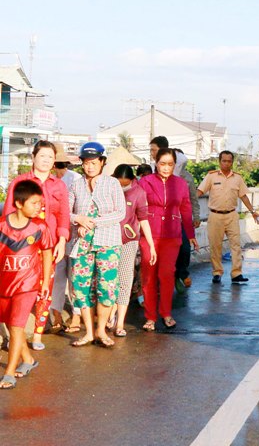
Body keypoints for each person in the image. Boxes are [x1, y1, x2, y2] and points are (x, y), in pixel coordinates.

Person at [2, 141, 70, 349]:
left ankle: (38, 334)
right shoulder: (20, 182)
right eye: (43, 156)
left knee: (45, 288)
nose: (47, 160)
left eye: (51, 157)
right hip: (21, 245)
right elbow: (8, 214)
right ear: (33, 157)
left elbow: (63, 215)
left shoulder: (58, 184)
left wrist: (61, 240)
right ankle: (14, 334)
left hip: (48, 244)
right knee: (15, 287)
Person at [67, 142, 126, 348]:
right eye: (86, 163)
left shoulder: (112, 184)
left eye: (94, 162)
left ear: (102, 162)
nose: (89, 167)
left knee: (106, 287)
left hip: (108, 243)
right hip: (82, 244)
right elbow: (66, 211)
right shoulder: (76, 185)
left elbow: (120, 213)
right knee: (81, 287)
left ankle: (101, 330)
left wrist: (92, 223)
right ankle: (89, 333)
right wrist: (79, 219)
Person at [0, 180, 54, 389]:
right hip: (5, 285)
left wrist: (45, 281)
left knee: (16, 325)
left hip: (27, 285)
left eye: (40, 203)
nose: (39, 207)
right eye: (34, 203)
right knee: (9, 323)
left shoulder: (40, 227)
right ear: (19, 203)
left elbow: (47, 253)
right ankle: (28, 360)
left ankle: (9, 373)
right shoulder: (2, 226)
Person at [138, 148, 196, 330]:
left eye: (170, 164)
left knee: (166, 274)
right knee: (148, 275)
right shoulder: (145, 182)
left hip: (172, 236)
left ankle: (166, 313)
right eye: (162, 164)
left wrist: (191, 235)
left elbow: (186, 210)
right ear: (155, 162)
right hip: (149, 235)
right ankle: (150, 316)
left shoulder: (180, 184)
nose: (166, 168)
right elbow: (138, 209)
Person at [197, 150, 259, 285]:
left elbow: (243, 196)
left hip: (232, 215)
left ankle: (236, 273)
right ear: (219, 162)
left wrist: (253, 211)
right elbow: (199, 191)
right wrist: (186, 201)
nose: (226, 163)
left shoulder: (237, 178)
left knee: (236, 245)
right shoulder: (211, 177)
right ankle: (217, 273)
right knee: (215, 246)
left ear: (232, 162)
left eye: (229, 161)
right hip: (215, 215)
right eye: (224, 161)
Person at [112, 164, 156, 338]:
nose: (122, 187)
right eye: (119, 183)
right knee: (109, 281)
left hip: (129, 242)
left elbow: (143, 220)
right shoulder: (108, 190)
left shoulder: (138, 193)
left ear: (132, 180)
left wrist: (151, 245)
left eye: (125, 184)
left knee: (124, 281)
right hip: (108, 241)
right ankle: (110, 314)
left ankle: (120, 323)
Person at [173, 148, 200, 293]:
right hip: (167, 220)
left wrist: (195, 217)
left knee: (184, 249)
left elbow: (193, 199)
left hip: (184, 220)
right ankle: (176, 276)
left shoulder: (188, 178)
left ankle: (182, 273)